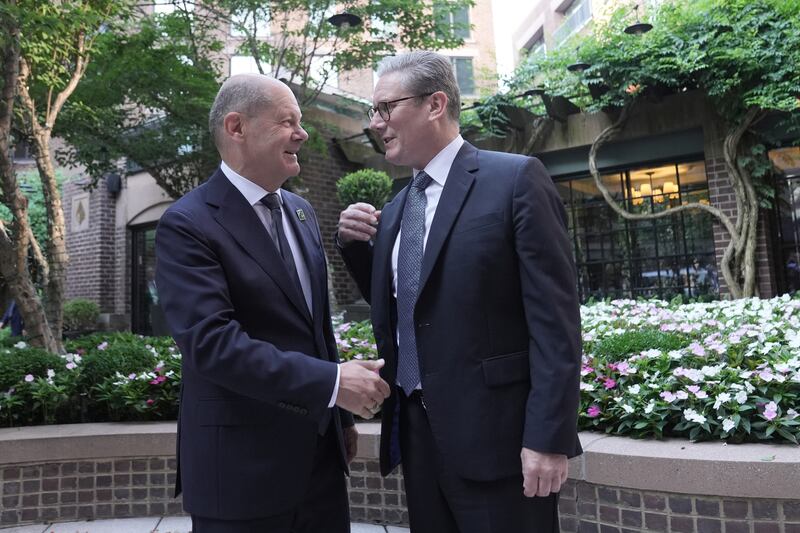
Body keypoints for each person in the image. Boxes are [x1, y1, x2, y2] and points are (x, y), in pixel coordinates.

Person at [337, 51, 582, 533]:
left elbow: (555, 322)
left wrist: (548, 438)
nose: (376, 123)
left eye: (386, 108)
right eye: (373, 111)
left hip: (501, 442)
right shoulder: (397, 204)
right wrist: (354, 247)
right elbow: (410, 304)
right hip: (418, 438)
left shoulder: (514, 179)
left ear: (435, 104)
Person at [155, 73, 390, 533]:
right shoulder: (186, 223)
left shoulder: (301, 213)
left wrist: (339, 416)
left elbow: (316, 330)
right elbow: (212, 344)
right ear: (237, 127)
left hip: (321, 465)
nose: (302, 134)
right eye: (288, 122)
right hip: (240, 475)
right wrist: (330, 382)